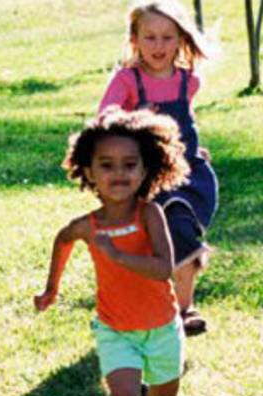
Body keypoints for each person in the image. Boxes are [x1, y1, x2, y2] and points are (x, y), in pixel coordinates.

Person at [35, 108, 190, 396]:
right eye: (106, 165)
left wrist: (120, 257)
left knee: (167, 391)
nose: (118, 174)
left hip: (160, 328)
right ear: (88, 171)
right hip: (115, 331)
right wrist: (52, 289)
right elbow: (62, 240)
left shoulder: (149, 215)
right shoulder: (88, 226)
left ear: (146, 170)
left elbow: (162, 268)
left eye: (129, 165)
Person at [99, 0, 218, 337]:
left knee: (182, 230)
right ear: (135, 39)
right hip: (143, 181)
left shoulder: (187, 82)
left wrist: (193, 146)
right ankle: (139, 309)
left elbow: (184, 121)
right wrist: (136, 121)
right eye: (149, 37)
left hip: (185, 176)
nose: (159, 46)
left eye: (167, 37)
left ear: (181, 39)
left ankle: (184, 309)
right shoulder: (128, 81)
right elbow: (105, 117)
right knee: (143, 244)